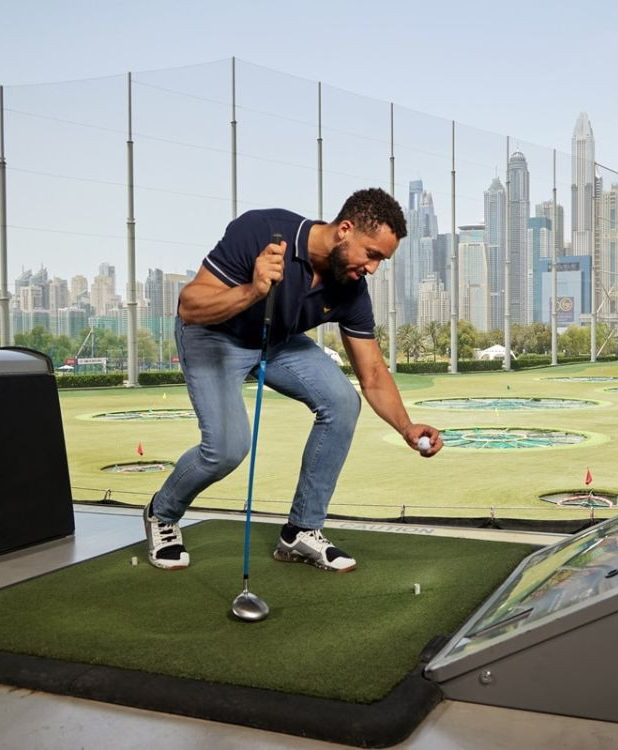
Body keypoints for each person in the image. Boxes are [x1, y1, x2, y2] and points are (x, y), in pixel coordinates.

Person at [143, 188, 442, 572]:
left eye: (381, 260)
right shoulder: (261, 229)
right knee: (227, 449)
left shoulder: (351, 289)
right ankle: (162, 512)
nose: (372, 269)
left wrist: (405, 426)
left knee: (342, 402)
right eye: (371, 254)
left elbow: (372, 372)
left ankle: (301, 530)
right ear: (345, 230)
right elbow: (190, 305)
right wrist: (253, 291)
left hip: (276, 342)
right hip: (213, 335)